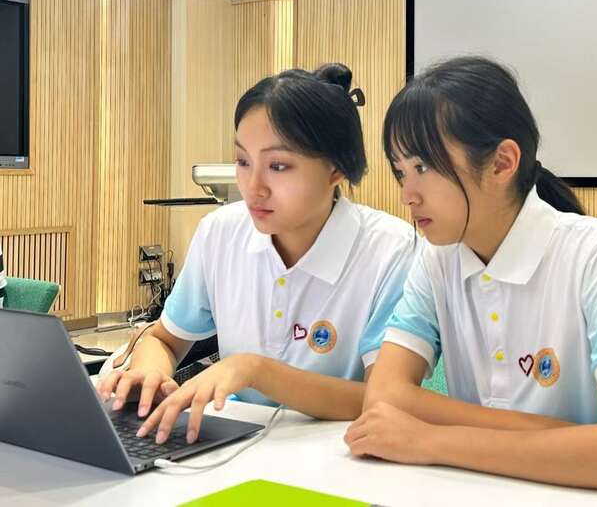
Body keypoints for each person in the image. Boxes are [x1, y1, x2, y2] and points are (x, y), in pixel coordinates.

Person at [345, 56, 597, 494]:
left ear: (502, 163)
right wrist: (567, 437)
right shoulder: (436, 258)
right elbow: (384, 395)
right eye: (400, 171)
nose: (407, 194)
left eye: (423, 167)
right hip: (499, 486)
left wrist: (430, 438)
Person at [98, 64, 417, 446]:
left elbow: (384, 399)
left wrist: (255, 371)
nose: (254, 187)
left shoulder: (389, 250)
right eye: (243, 161)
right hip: (232, 444)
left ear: (335, 168)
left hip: (340, 453)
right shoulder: (220, 232)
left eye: (278, 166)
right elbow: (165, 339)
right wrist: (150, 373)